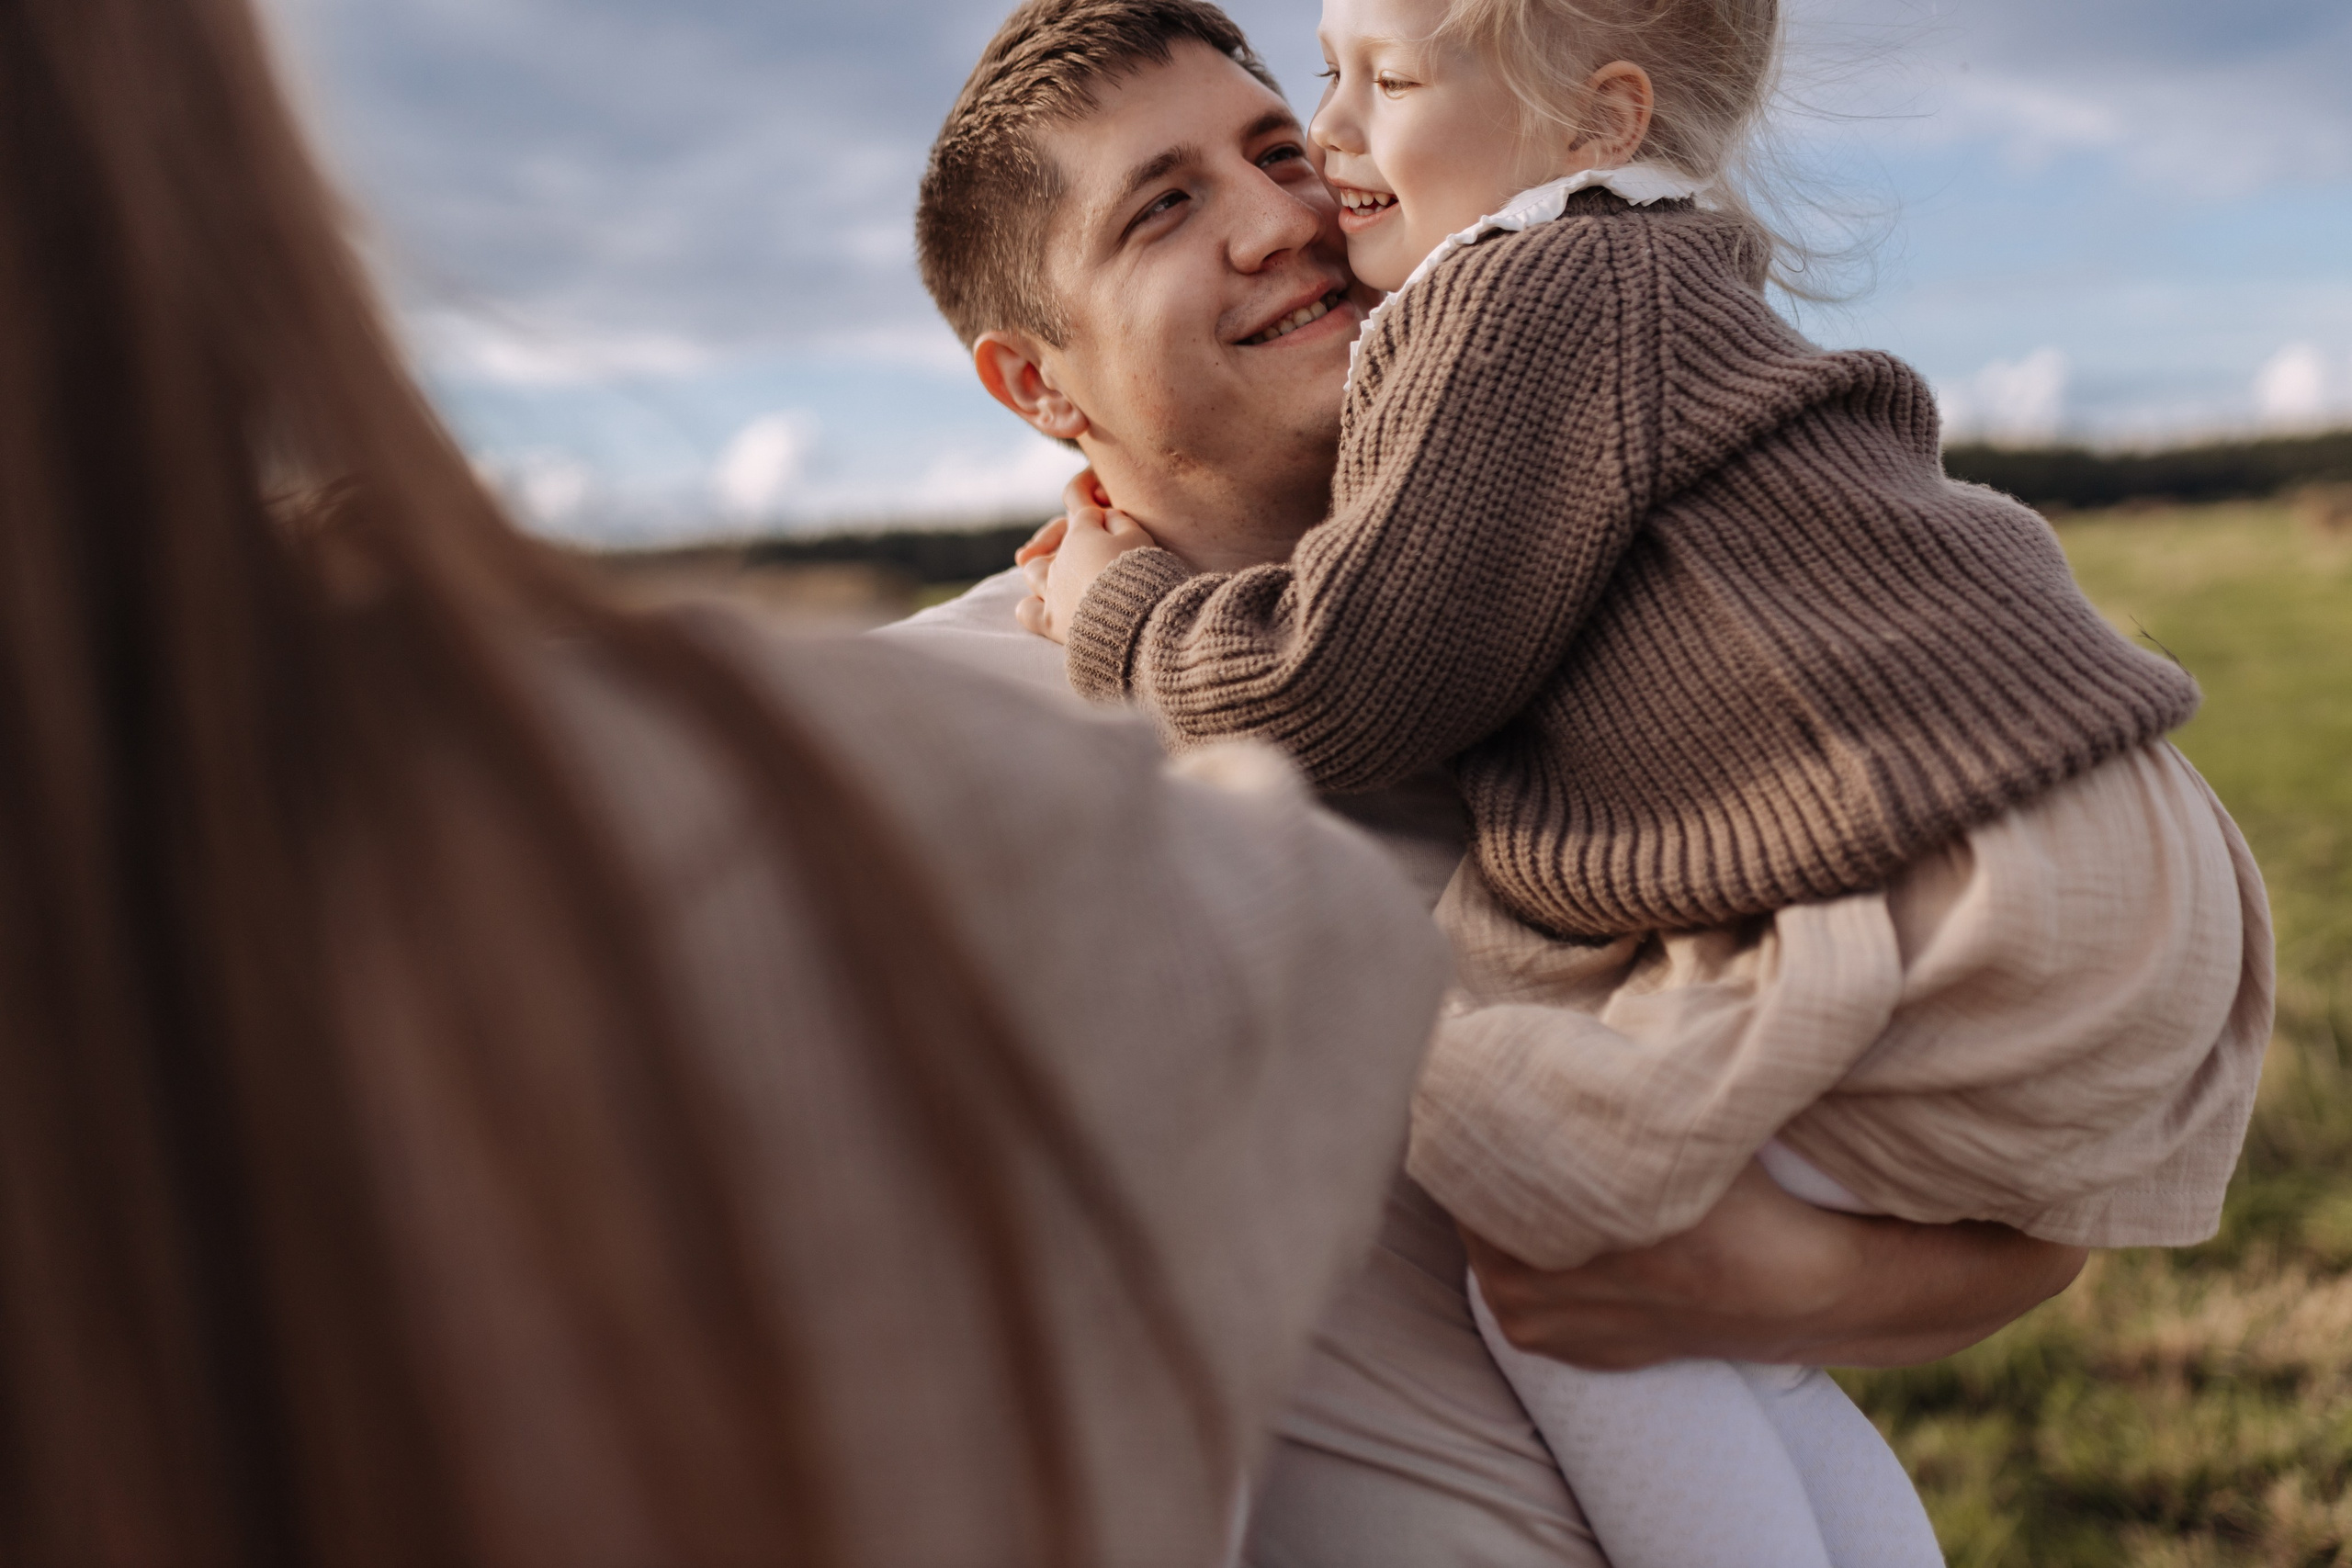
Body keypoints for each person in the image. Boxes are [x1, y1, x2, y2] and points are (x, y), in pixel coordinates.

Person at [0, 1, 1458, 1563]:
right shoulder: (909, 755)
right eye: (1164, 205)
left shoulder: (1631, 616)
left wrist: (1772, 1278)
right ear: (1034, 388)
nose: (1286, 216)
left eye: (1283, 150)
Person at [1004, 0, 2277, 1560]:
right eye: (1165, 204)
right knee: (1702, 1334)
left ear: (1601, 124)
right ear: (1032, 381)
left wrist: (1123, 620)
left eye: (1359, 94)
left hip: (1969, 878)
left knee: (1554, 1225)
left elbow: (1337, 680)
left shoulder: (1524, 296)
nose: (1306, 179)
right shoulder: (1632, 284)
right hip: (2058, 858)